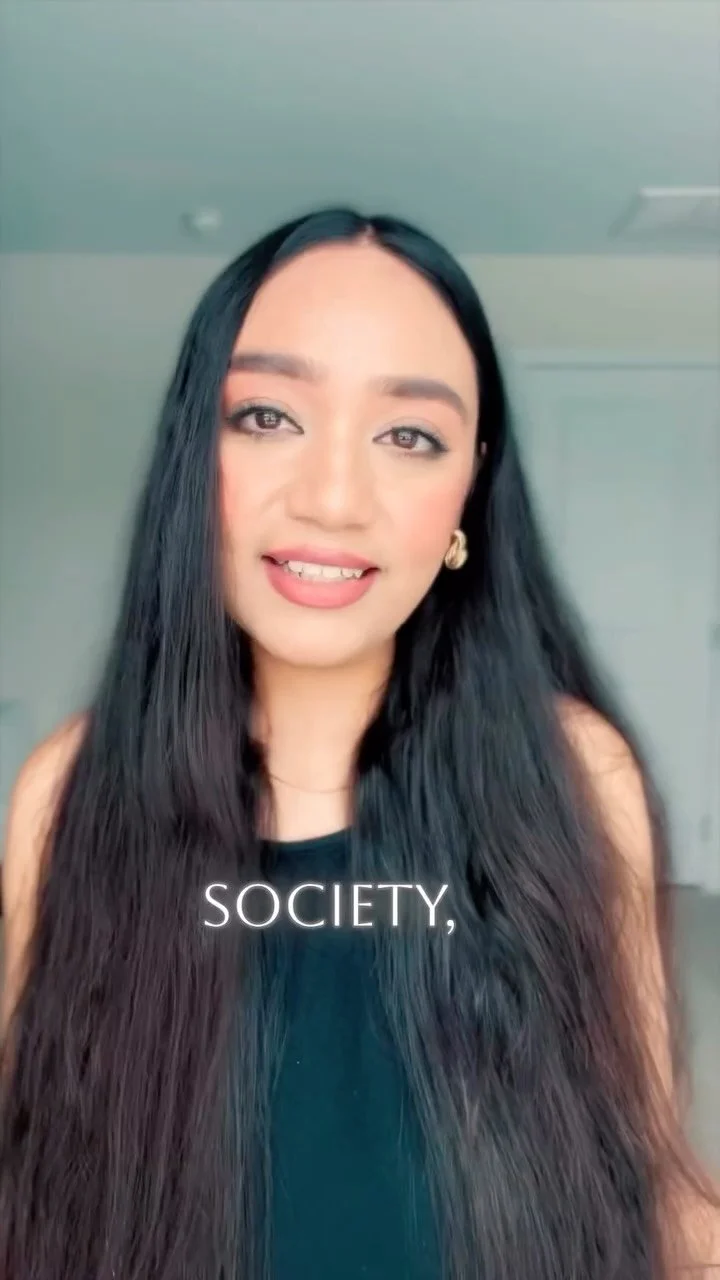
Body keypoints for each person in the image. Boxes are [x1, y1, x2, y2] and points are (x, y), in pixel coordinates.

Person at [0, 207, 717, 1280]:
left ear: (468, 492)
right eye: (268, 416)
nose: (333, 499)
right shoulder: (69, 791)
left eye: (409, 436)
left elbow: (654, 1190)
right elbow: (32, 1185)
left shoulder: (571, 775)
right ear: (194, 452)